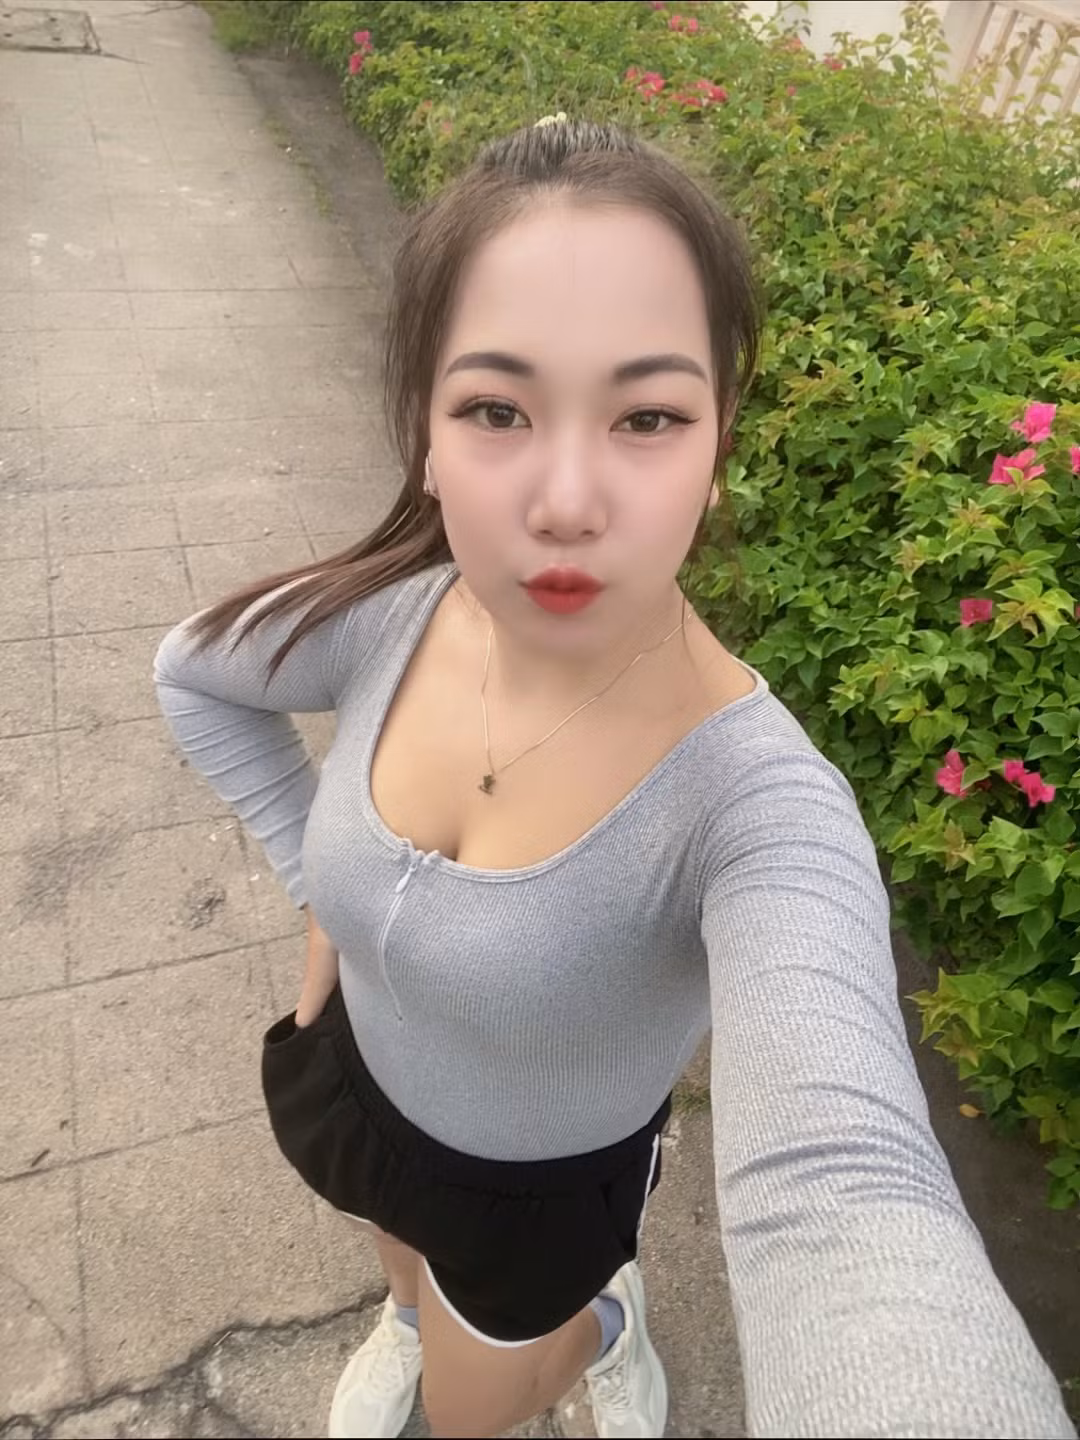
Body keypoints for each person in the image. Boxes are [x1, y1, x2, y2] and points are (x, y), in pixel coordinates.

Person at [152, 117, 1076, 1440]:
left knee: (472, 1411)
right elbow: (193, 674)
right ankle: (410, 1313)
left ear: (717, 445)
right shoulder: (389, 618)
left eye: (647, 416)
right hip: (359, 1084)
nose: (568, 501)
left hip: (534, 1194)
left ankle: (597, 1321)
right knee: (402, 1262)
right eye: (496, 410)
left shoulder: (757, 808)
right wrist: (325, 897)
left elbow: (844, 1183)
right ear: (425, 433)